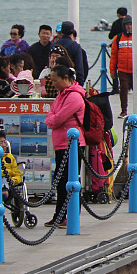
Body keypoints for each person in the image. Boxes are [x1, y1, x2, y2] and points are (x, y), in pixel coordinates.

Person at [44, 65, 86, 228]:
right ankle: (59, 215)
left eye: (55, 80)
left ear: (65, 78)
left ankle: (71, 216)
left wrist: (53, 119)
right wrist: (52, 119)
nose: (53, 83)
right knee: (60, 180)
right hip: (60, 143)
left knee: (70, 180)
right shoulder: (61, 96)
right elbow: (50, 116)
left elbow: (57, 118)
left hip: (73, 144)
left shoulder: (74, 97)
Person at [110, 16, 134, 118]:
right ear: (124, 26)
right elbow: (114, 55)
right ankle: (123, 110)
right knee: (123, 90)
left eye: (131, 24)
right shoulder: (117, 38)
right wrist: (112, 70)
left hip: (135, 70)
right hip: (123, 69)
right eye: (127, 24)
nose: (129, 27)